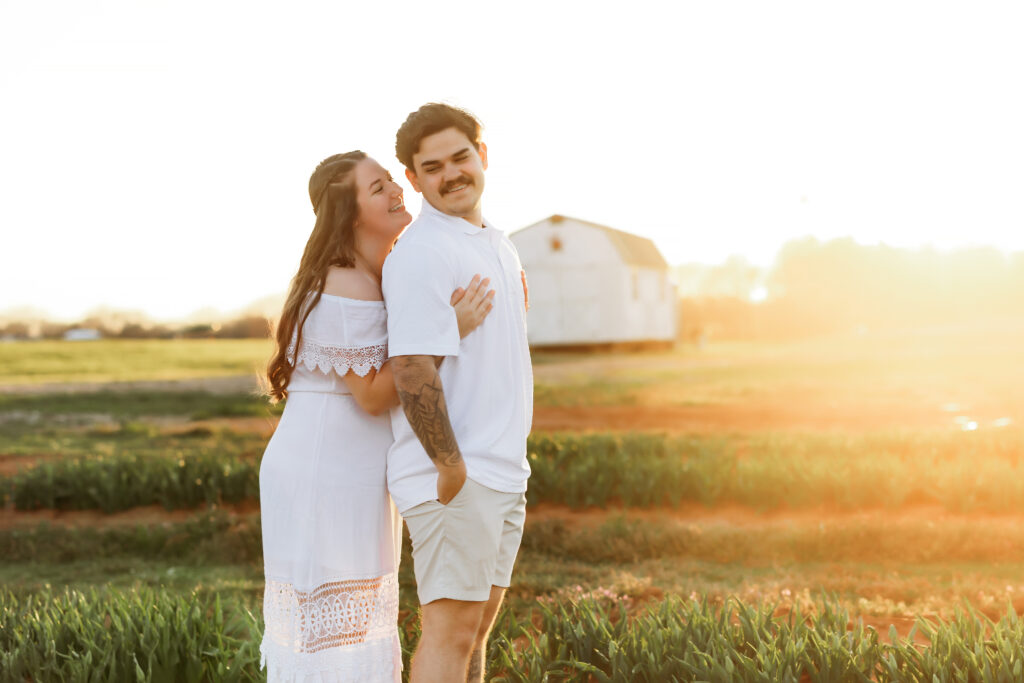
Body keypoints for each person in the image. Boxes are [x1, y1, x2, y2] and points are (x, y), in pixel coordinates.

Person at [258, 150, 495, 683]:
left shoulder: (371, 274)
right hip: (325, 471)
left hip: (348, 468)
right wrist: (449, 328)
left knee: (356, 626)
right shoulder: (345, 283)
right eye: (378, 187)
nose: (396, 191)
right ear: (347, 212)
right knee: (336, 638)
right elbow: (372, 394)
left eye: (392, 180)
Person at [383, 103, 533, 683]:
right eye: (433, 166)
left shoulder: (497, 244)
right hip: (456, 474)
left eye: (460, 157)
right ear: (413, 179)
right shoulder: (423, 251)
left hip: (502, 468)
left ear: (483, 156)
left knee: (475, 634)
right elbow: (411, 366)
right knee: (450, 637)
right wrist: (449, 466)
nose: (451, 174)